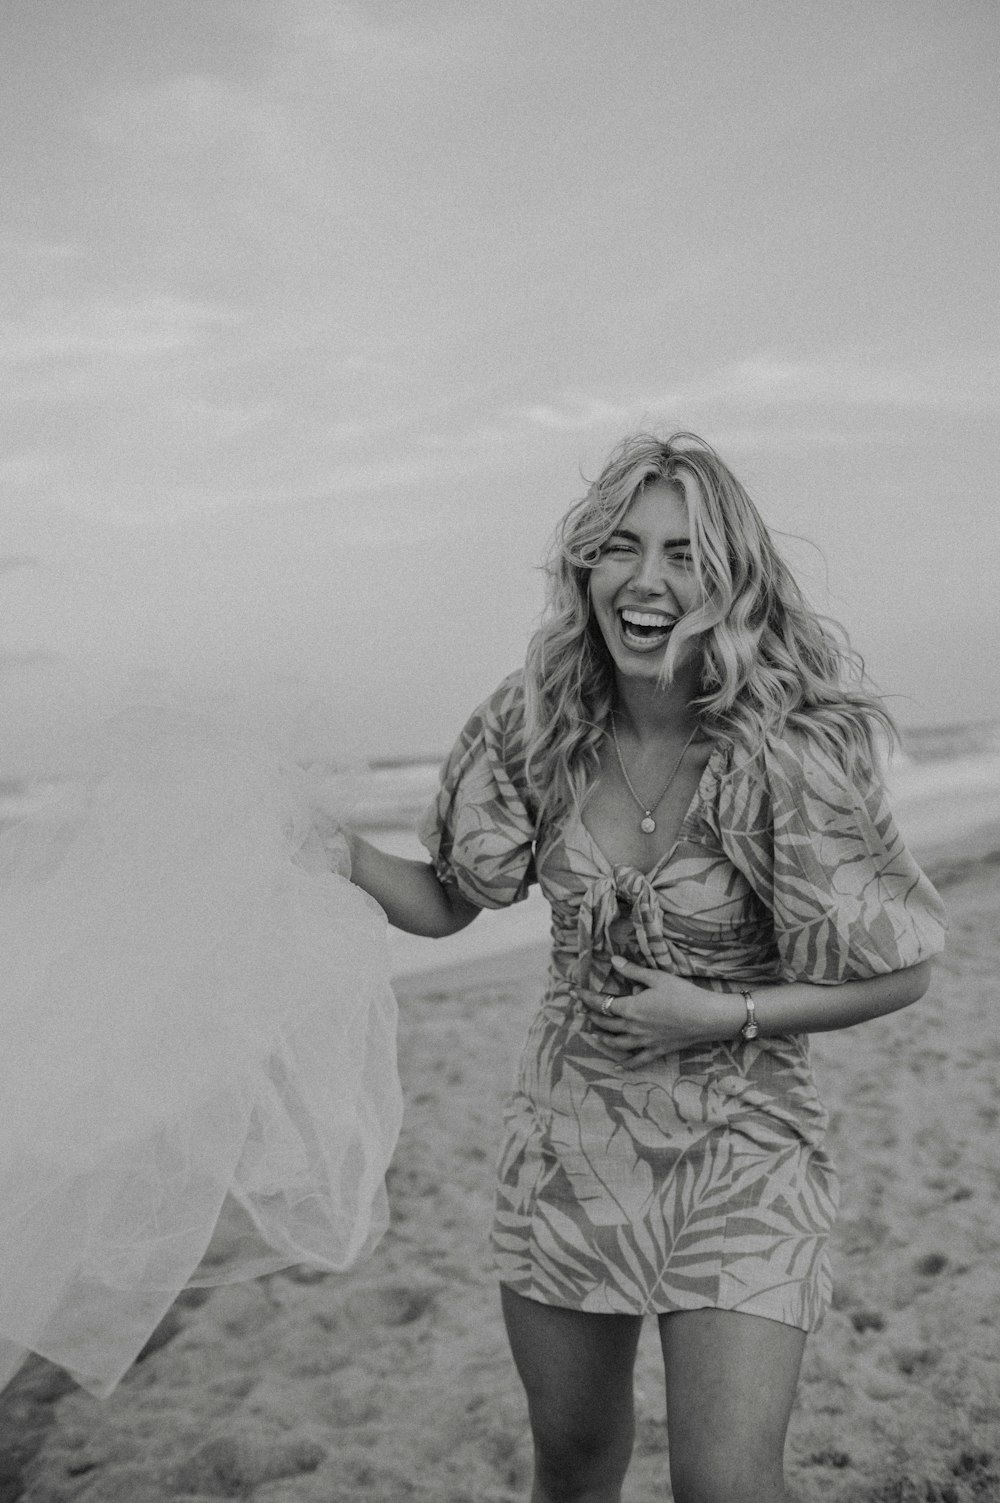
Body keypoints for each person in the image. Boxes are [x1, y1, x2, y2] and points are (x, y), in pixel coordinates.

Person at [344, 431, 947, 1503]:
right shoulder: (531, 725)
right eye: (622, 548)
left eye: (682, 554)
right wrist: (331, 851)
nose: (647, 581)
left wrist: (726, 1018)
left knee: (724, 1482)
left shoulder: (789, 750)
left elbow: (902, 971)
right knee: (574, 1468)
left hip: (743, 1140)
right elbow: (448, 900)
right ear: (586, 567)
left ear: (727, 580)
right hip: (569, 1142)